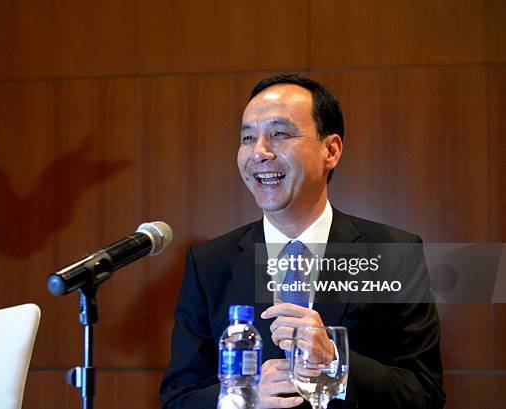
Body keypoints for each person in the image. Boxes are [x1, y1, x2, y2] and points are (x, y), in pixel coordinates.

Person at [159, 74, 445, 409]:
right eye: (248, 137)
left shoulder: (394, 254)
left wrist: (336, 360)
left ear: (331, 150)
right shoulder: (208, 264)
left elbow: (425, 394)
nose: (259, 152)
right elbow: (178, 399)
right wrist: (241, 398)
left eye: (279, 134)